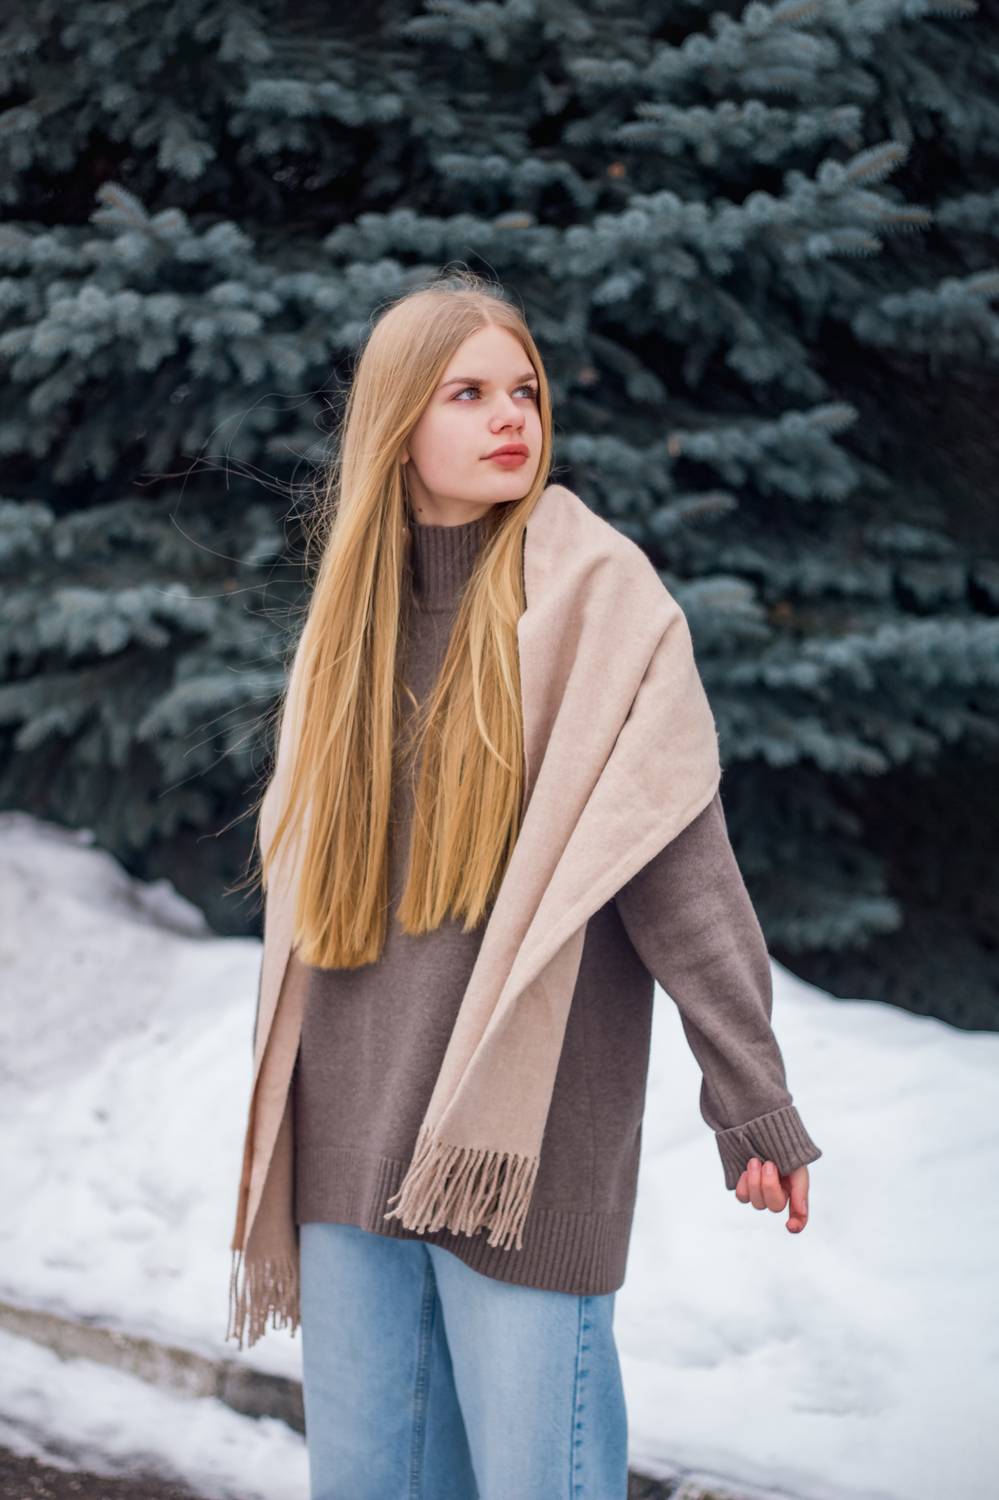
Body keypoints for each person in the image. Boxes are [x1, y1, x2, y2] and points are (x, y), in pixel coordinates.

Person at [228, 269, 822, 1500]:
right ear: (398, 423)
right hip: (346, 1141)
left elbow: (678, 866)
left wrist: (751, 1098)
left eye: (526, 391)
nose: (511, 416)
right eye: (469, 393)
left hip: (516, 1153)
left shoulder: (601, 602)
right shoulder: (349, 628)